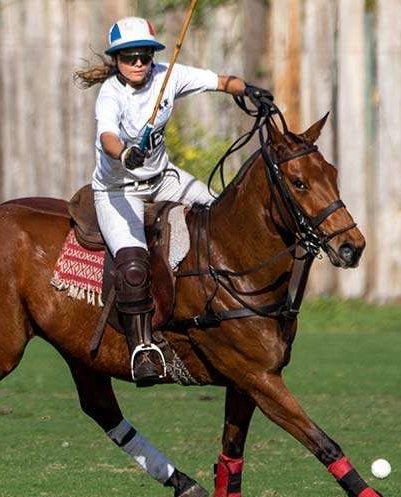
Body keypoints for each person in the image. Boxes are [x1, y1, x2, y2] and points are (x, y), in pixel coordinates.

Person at [75, 16, 271, 384]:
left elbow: (220, 82)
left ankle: (220, 314)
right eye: (129, 57)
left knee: (219, 216)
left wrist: (249, 90)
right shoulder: (111, 95)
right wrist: (124, 155)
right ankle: (143, 348)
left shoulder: (169, 76)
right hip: (119, 190)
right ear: (116, 60)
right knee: (133, 267)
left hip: (164, 178)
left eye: (144, 56)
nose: (138, 64)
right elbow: (107, 137)